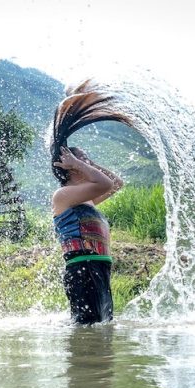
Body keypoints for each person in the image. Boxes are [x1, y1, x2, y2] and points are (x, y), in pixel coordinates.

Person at [50, 82, 127, 324]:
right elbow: (105, 184)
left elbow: (116, 183)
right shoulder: (63, 196)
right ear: (69, 164)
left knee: (103, 328)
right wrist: (77, 163)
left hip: (99, 268)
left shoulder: (88, 198)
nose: (89, 162)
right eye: (83, 158)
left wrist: (84, 163)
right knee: (88, 329)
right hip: (82, 269)